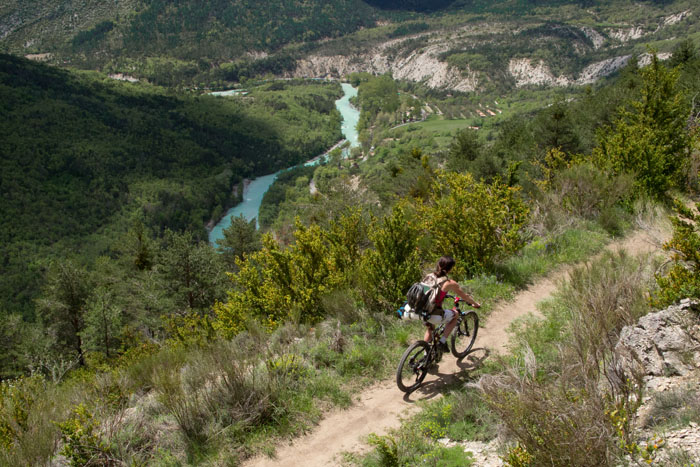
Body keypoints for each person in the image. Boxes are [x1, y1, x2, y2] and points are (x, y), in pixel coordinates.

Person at [423, 256, 480, 352]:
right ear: (450, 269)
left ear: (438, 264)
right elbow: (465, 296)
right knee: (456, 315)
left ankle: (425, 355)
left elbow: (427, 293)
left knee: (430, 329)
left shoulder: (429, 276)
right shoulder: (449, 283)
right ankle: (442, 342)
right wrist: (475, 304)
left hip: (422, 311)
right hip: (434, 314)